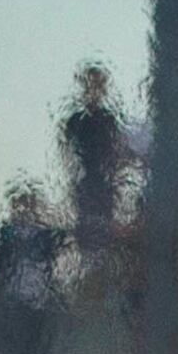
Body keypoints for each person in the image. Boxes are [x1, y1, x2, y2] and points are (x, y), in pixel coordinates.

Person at [0, 185, 67, 354]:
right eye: (18, 206)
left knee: (36, 343)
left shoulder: (46, 235)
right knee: (12, 344)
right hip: (11, 302)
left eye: (27, 205)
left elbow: (59, 255)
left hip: (38, 302)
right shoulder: (2, 233)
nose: (22, 211)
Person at [60, 65, 130, 241]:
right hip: (84, 184)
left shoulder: (108, 120)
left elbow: (116, 154)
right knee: (87, 232)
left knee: (105, 233)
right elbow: (67, 157)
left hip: (105, 184)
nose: (93, 90)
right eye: (90, 85)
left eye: (98, 86)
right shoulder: (75, 121)